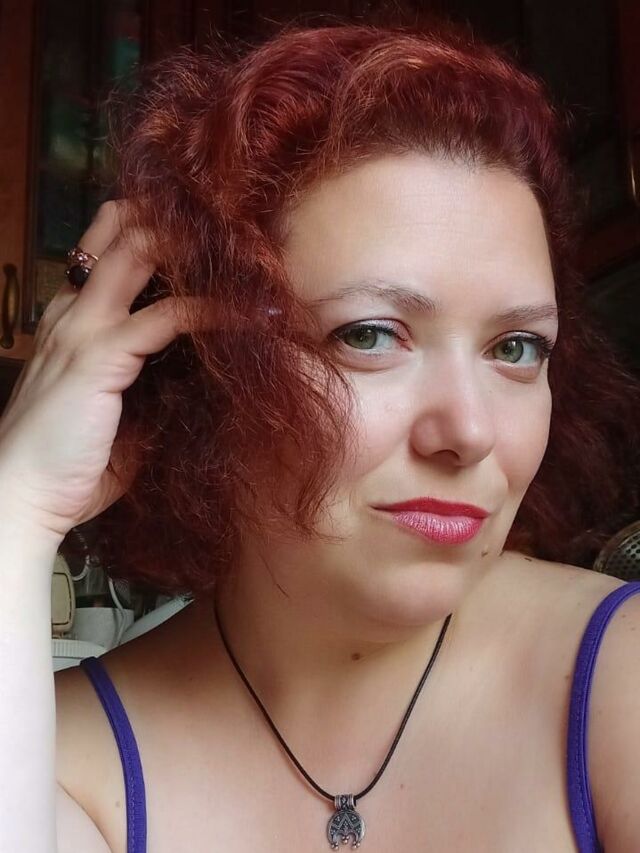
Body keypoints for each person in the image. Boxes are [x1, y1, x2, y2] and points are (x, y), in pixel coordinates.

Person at [2, 13, 640, 853]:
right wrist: (16, 508)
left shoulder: (619, 679)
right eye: (370, 334)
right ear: (207, 368)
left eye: (516, 348)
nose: (470, 430)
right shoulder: (62, 760)